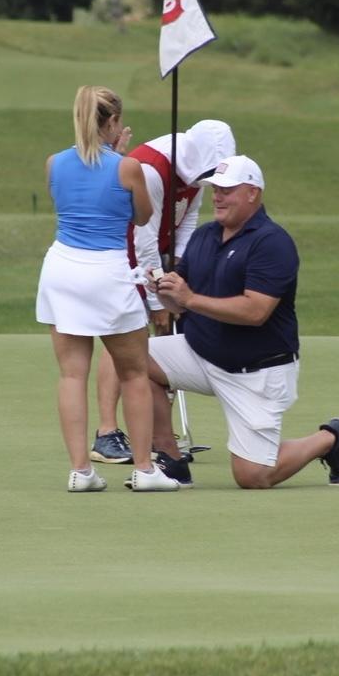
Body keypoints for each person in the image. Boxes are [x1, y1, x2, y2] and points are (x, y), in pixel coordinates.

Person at [138, 154, 339, 489]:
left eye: (227, 190)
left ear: (253, 193)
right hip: (201, 353)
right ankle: (171, 460)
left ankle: (330, 438)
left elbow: (256, 311)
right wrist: (164, 290)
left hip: (257, 371)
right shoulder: (204, 236)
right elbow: (180, 303)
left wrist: (189, 299)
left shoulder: (272, 242)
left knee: (253, 476)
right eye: (215, 189)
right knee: (132, 356)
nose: (217, 197)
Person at [35, 85, 180, 492]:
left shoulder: (54, 163)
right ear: (113, 122)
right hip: (107, 272)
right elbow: (143, 215)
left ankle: (81, 472)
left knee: (71, 375)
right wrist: (120, 156)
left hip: (62, 269)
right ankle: (145, 470)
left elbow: (71, 200)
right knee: (134, 373)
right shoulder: (128, 167)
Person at [90, 120, 236, 465]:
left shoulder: (198, 173)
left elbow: (187, 220)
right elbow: (143, 239)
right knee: (125, 336)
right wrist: (158, 301)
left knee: (159, 348)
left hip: (156, 257)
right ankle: (106, 434)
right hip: (123, 256)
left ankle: (160, 438)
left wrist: (179, 270)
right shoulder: (152, 170)